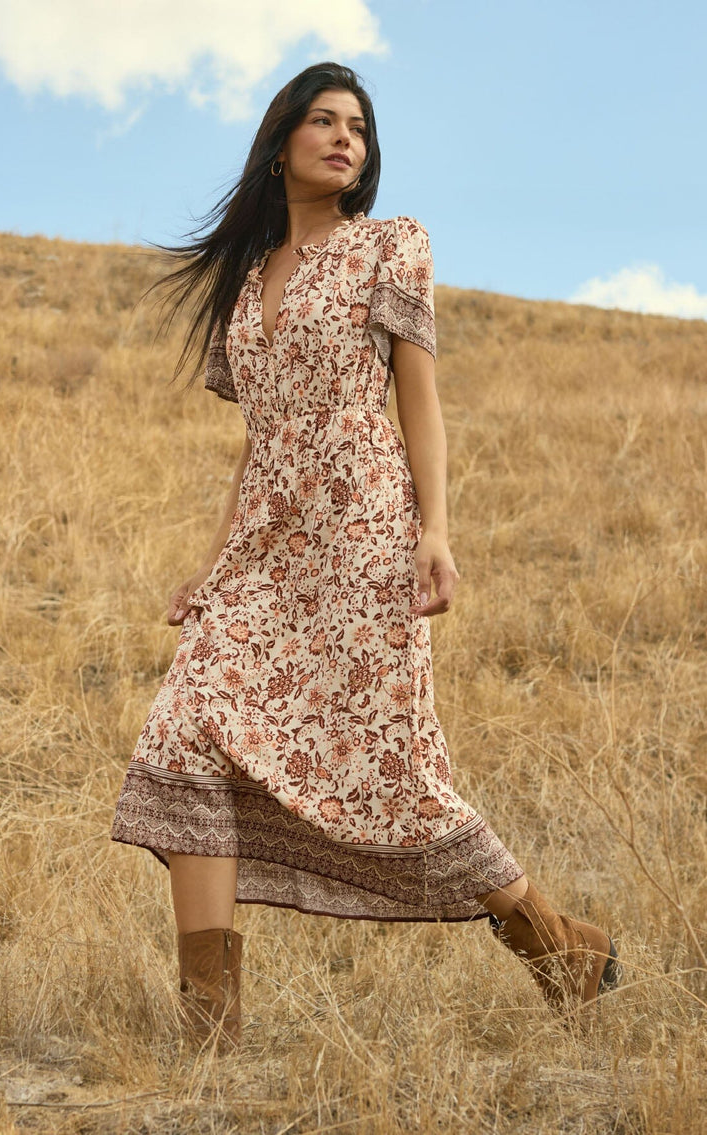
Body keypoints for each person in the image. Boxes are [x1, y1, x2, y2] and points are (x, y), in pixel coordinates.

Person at [111, 62, 620, 1052]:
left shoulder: (390, 247)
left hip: (362, 536)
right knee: (182, 738)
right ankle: (209, 1032)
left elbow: (416, 401)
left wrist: (434, 531)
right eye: (322, 121)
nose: (345, 138)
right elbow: (259, 441)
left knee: (387, 770)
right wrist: (210, 567)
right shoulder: (243, 287)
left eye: (357, 126)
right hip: (264, 554)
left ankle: (557, 944)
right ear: (280, 142)